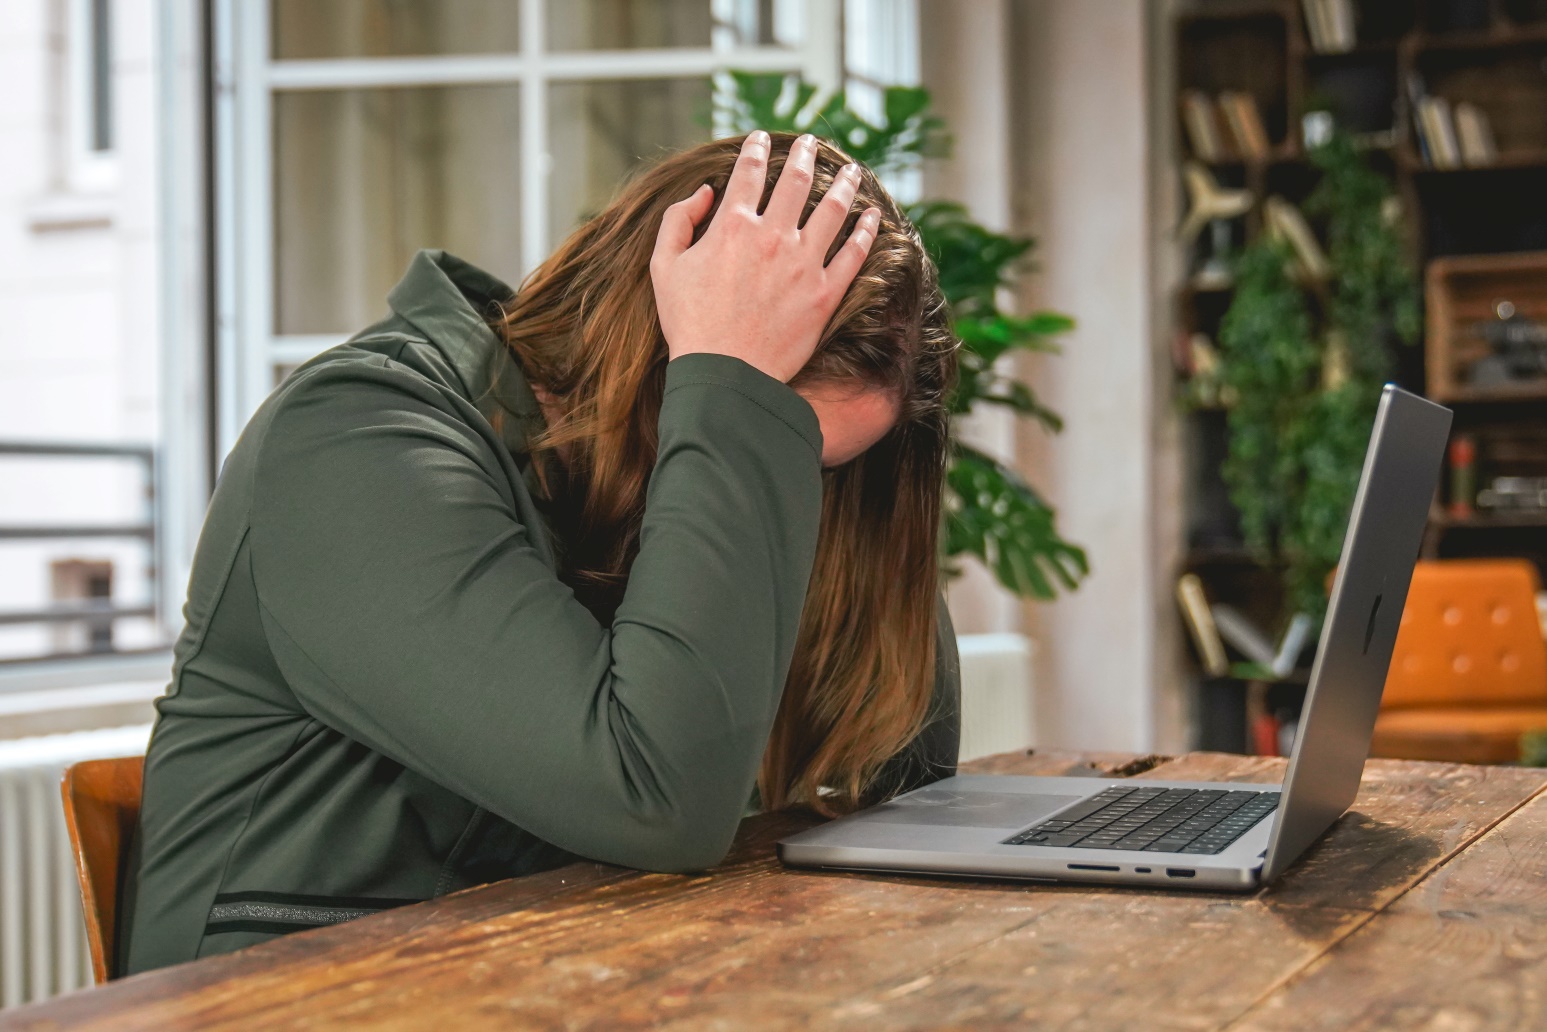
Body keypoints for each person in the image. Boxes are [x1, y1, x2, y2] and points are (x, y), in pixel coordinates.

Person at [119, 131, 961, 974]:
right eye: (757, 440)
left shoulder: (641, 469)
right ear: (658, 351)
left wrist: (807, 479)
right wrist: (732, 389)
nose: (784, 490)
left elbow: (904, 762)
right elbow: (655, 799)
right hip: (285, 994)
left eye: (814, 470)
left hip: (543, 977)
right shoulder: (355, 436)